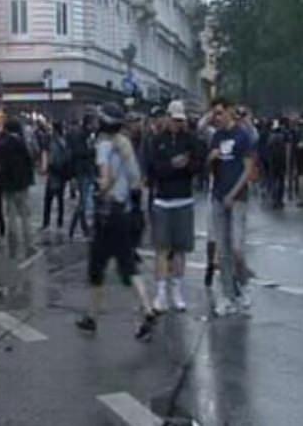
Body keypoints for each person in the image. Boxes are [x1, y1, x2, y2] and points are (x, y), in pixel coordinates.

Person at [76, 103, 157, 341]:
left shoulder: (104, 145)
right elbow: (136, 180)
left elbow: (106, 177)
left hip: (107, 213)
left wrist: (99, 189)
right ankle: (147, 309)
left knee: (97, 268)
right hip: (124, 212)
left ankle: (92, 318)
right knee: (128, 265)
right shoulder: (125, 144)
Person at [151, 100, 201, 313]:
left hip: (184, 199)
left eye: (180, 121)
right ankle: (161, 293)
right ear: (167, 118)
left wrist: (187, 165)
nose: (177, 124)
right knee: (162, 249)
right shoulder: (157, 141)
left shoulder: (190, 140)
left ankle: (177, 291)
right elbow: (153, 168)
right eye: (174, 120)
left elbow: (198, 165)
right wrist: (172, 165)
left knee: (180, 249)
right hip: (163, 200)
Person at [208, 97, 254, 316]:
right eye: (214, 114)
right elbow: (209, 168)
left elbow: (248, 169)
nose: (217, 117)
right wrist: (211, 158)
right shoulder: (216, 137)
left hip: (238, 197)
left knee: (236, 247)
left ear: (229, 111)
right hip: (218, 196)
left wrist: (233, 194)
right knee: (223, 249)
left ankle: (243, 284)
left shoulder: (242, 136)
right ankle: (227, 294)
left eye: (219, 113)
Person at [0, 118, 35, 263]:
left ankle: (13, 246)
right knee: (25, 216)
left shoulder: (2, 144)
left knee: (11, 216)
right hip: (23, 184)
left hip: (8, 184)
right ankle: (29, 244)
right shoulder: (23, 143)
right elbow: (30, 161)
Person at [68, 115, 96, 240]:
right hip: (83, 172)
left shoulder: (89, 136)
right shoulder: (80, 136)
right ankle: (79, 227)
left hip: (88, 171)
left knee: (85, 200)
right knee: (84, 201)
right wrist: (92, 151)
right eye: (93, 123)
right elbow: (78, 152)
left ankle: (81, 227)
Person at [41, 121, 71, 232]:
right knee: (60, 199)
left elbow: (52, 159)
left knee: (48, 199)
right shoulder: (64, 142)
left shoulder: (53, 142)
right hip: (62, 174)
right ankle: (60, 222)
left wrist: (47, 167)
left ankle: (46, 223)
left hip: (54, 174)